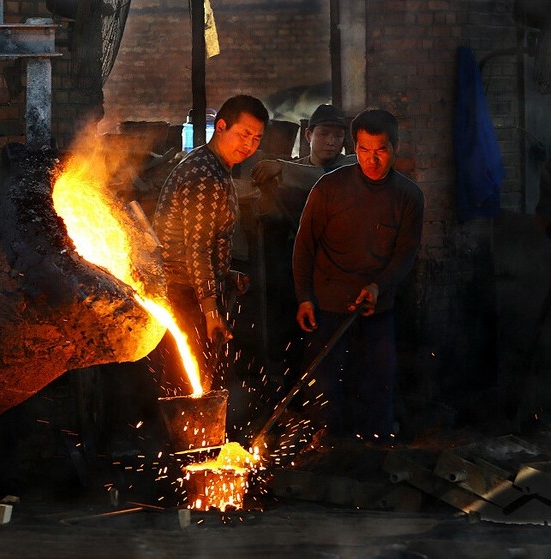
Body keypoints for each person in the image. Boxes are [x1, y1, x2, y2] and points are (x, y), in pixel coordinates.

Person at [292, 108, 424, 443]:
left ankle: (373, 449)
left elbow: (404, 254)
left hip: (377, 308)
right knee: (323, 385)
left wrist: (379, 286)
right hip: (327, 306)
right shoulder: (329, 187)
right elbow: (304, 245)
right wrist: (304, 296)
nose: (372, 159)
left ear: (395, 147)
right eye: (364, 150)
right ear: (355, 148)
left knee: (376, 384)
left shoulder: (408, 196)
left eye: (380, 150)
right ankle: (321, 446)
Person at [152, 95, 269, 394]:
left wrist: (226, 275)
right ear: (221, 127)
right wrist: (210, 312)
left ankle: (196, 437)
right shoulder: (204, 174)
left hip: (195, 291)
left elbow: (208, 241)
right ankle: (184, 439)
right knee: (186, 381)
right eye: (244, 134)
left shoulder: (217, 168)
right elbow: (197, 248)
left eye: (256, 138)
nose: (249, 144)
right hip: (184, 293)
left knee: (198, 378)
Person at [248, 105, 358, 372]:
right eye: (324, 134)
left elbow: (325, 178)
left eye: (338, 136)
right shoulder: (292, 170)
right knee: (293, 330)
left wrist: (280, 168)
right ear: (308, 136)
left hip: (336, 270)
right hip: (297, 266)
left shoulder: (350, 167)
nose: (331, 142)